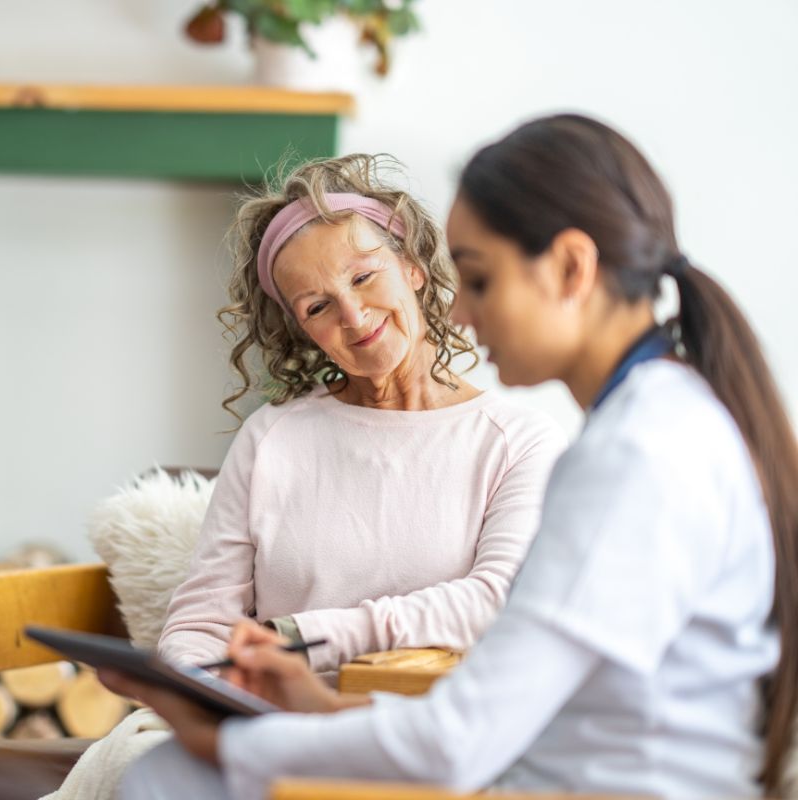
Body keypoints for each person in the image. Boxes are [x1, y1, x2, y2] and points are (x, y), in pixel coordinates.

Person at [106, 114, 798, 800]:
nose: (458, 311)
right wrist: (302, 706)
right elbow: (488, 724)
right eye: (317, 306)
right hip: (543, 771)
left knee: (172, 776)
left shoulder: (634, 455)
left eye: (480, 279)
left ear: (570, 268)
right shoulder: (656, 423)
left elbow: (464, 740)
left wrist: (233, 741)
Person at [157, 154, 565, 675]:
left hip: (421, 727)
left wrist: (307, 638)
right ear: (301, 330)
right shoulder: (270, 437)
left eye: (365, 277)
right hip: (267, 721)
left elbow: (494, 601)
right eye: (317, 307)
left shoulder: (518, 442)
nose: (353, 315)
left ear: (412, 267)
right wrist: (197, 694)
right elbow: (202, 623)